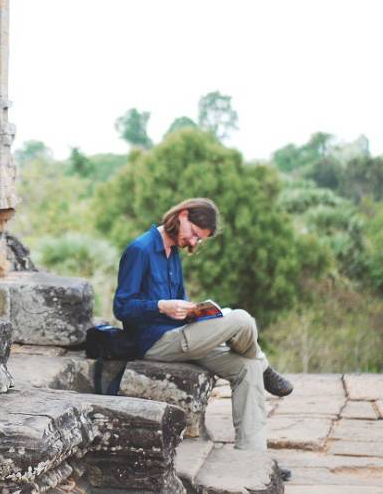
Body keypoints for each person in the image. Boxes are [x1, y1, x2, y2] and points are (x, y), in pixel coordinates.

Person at [113, 198, 293, 477]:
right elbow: (121, 307)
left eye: (200, 239)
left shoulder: (173, 254)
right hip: (154, 343)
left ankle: (253, 458)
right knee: (242, 319)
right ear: (182, 215)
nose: (194, 242)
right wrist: (161, 306)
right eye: (195, 234)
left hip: (181, 334)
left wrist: (192, 312)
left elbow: (178, 304)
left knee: (247, 368)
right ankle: (265, 361)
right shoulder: (141, 250)